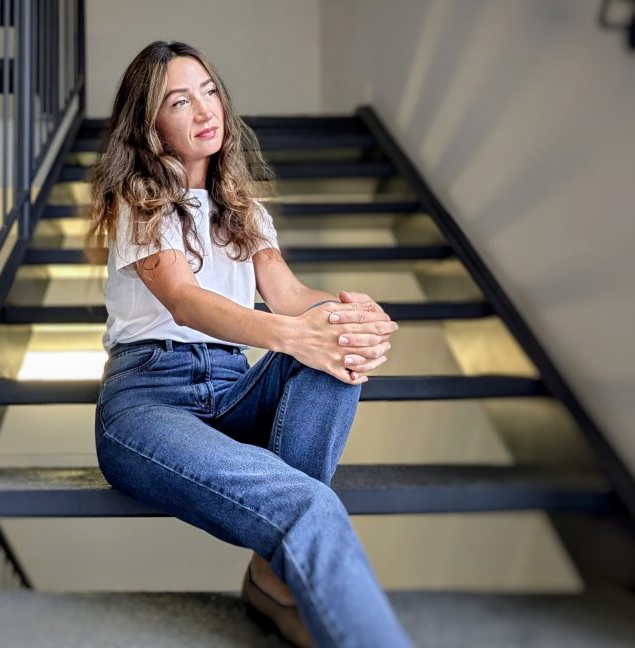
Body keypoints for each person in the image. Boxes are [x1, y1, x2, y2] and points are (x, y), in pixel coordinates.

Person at [86, 41, 412, 648]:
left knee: (336, 336)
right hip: (149, 402)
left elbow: (289, 296)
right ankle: (282, 565)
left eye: (209, 91)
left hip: (233, 392)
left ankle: (272, 569)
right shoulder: (140, 200)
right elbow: (184, 300)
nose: (206, 109)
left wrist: (353, 313)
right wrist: (295, 334)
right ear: (151, 126)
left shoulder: (246, 212)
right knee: (309, 504)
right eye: (180, 101)